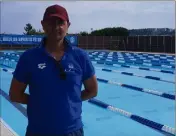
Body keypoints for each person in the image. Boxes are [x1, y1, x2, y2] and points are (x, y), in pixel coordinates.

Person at [9, 4, 98, 136]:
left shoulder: (80, 56)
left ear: (68, 25)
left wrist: (70, 100)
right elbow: (15, 94)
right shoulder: (29, 57)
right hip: (38, 131)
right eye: (51, 22)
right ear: (43, 24)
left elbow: (93, 90)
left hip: (72, 131)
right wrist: (41, 101)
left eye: (60, 22)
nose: (56, 27)